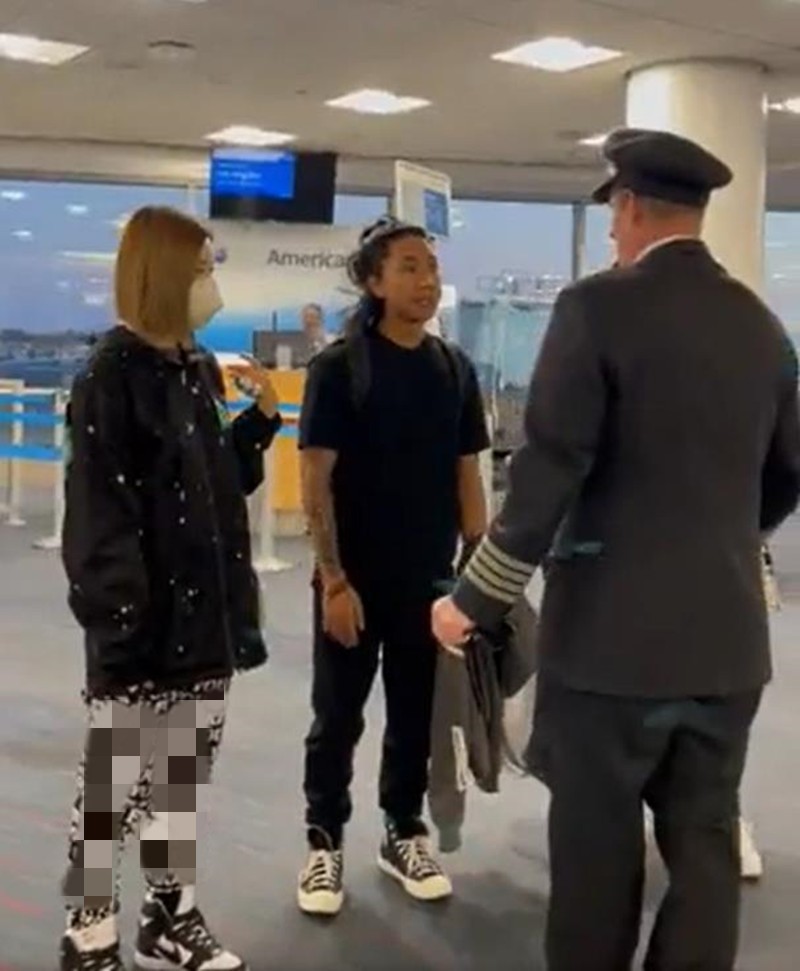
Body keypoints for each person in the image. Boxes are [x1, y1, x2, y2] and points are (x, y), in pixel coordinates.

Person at [433, 128, 800, 970]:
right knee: (705, 850)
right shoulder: (762, 327)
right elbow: (789, 472)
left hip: (609, 652)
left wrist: (472, 601)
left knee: (595, 859)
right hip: (727, 643)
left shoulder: (594, 309)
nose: (609, 230)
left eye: (613, 213)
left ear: (630, 206)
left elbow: (547, 472)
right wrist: (722, 539)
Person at [59, 207, 281, 971]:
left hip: (205, 622)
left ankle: (169, 913)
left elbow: (216, 487)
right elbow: (98, 518)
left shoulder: (194, 368)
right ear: (161, 275)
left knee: (178, 783)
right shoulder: (109, 379)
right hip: (139, 630)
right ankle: (87, 933)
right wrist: (122, 629)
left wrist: (258, 424)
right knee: (111, 789)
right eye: (201, 271)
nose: (212, 286)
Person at [296, 216, 490, 916]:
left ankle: (402, 830)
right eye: (409, 267)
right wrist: (333, 580)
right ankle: (323, 840)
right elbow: (315, 480)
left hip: (429, 581)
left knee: (415, 714)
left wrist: (477, 572)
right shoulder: (339, 368)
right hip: (354, 580)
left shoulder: (453, 369)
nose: (426, 281)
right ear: (374, 281)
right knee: (337, 716)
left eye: (431, 267)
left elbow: (467, 472)